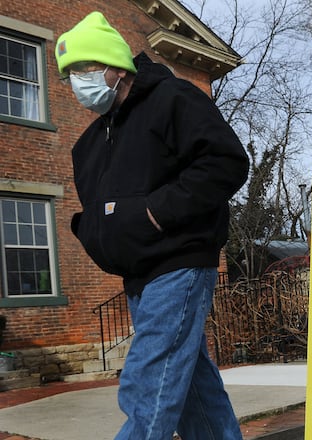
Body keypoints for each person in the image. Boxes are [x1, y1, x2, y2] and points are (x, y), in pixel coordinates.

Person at [55, 11, 249, 440]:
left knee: (149, 376)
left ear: (113, 66)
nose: (76, 83)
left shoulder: (172, 98)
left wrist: (155, 212)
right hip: (137, 274)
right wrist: (93, 231)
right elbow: (100, 208)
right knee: (193, 383)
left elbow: (226, 162)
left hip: (180, 261)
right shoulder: (91, 142)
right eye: (69, 74)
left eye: (83, 69)